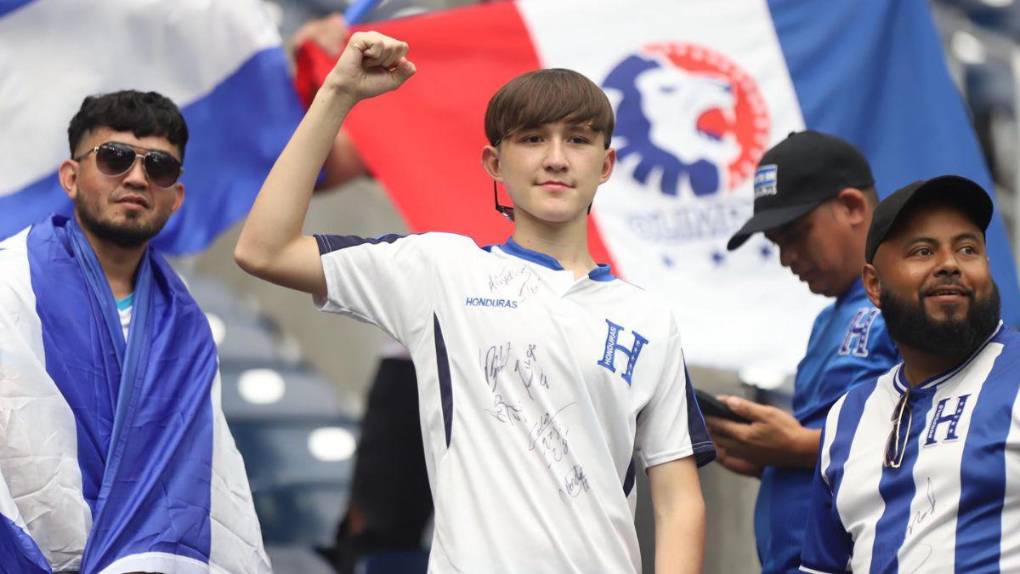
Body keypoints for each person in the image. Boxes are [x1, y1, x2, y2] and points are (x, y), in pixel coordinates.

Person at [234, 31, 715, 572]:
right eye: (532, 139)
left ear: (606, 165)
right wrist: (338, 93)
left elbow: (678, 502)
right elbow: (264, 250)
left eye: (578, 140)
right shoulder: (439, 269)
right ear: (494, 162)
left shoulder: (648, 318)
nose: (556, 159)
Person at [0, 90, 269, 573]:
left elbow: (202, 477)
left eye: (159, 167)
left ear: (176, 197)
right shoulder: (12, 283)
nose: (138, 177)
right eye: (115, 157)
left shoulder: (187, 327)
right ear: (71, 176)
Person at [800, 175, 1019, 572]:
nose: (949, 264)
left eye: (967, 249)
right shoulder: (846, 417)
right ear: (874, 285)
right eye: (923, 251)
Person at [710, 131, 900, 573]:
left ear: (852, 207)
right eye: (776, 244)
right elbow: (830, 446)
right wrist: (770, 459)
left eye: (796, 235)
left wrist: (798, 446)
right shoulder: (824, 323)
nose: (786, 258)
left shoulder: (910, 299)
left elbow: (935, 431)